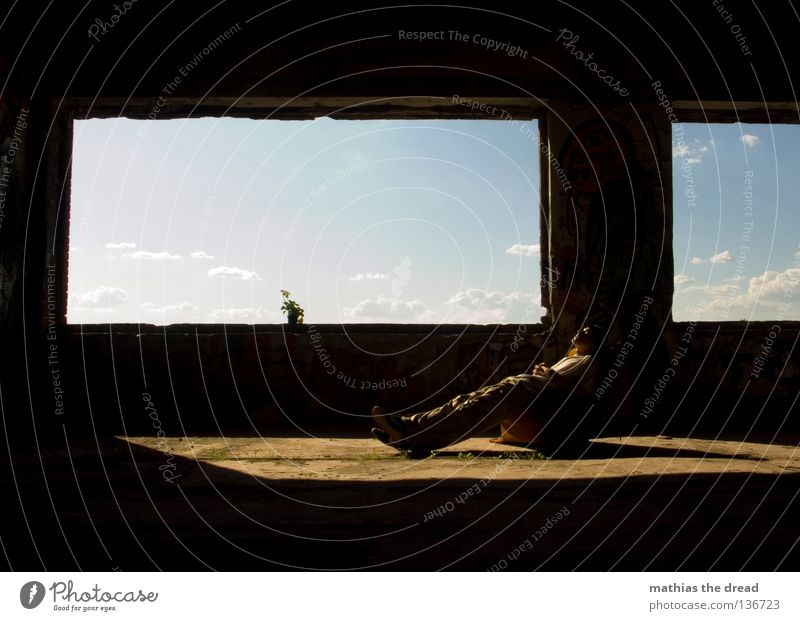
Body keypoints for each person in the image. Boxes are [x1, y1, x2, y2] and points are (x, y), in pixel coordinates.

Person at [370, 324, 602, 453]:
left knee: (473, 409)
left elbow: (584, 395)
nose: (579, 332)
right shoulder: (571, 356)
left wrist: (549, 374)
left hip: (527, 392)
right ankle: (407, 426)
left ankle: (412, 434)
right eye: (580, 329)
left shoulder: (590, 361)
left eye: (586, 333)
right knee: (464, 400)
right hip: (520, 384)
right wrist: (546, 371)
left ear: (594, 342)